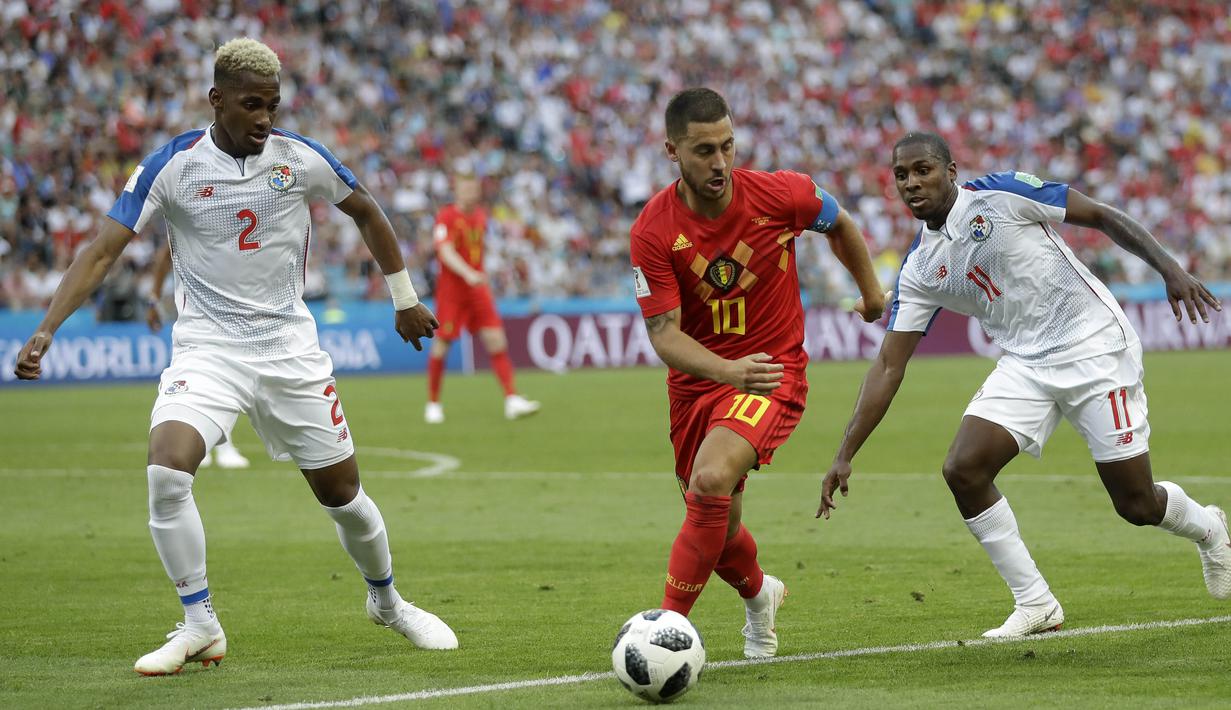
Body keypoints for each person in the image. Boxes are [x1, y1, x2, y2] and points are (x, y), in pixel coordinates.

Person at [14, 38, 459, 675]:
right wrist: (47, 328)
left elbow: (365, 209)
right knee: (167, 472)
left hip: (289, 351)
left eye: (273, 106)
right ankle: (199, 623)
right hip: (210, 350)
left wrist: (403, 297)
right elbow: (103, 249)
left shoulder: (298, 159)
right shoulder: (175, 164)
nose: (264, 119)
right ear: (216, 100)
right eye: (252, 105)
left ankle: (387, 600)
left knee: (344, 496)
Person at [817, 131, 1229, 638]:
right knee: (964, 469)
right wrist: (845, 452)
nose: (911, 182)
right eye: (901, 175)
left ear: (950, 171)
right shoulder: (920, 268)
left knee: (1136, 505)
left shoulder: (1003, 193)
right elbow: (888, 365)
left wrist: (1170, 270)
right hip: (1026, 363)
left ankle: (1209, 527)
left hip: (1094, 345)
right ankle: (1035, 602)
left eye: (923, 169)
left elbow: (1100, 215)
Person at [629, 88, 885, 658]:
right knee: (716, 529)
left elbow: (839, 222)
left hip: (771, 372)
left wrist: (870, 296)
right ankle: (760, 597)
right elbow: (664, 335)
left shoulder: (780, 195)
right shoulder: (653, 230)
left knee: (711, 481)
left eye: (727, 146)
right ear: (672, 152)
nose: (719, 163)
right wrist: (726, 370)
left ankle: (664, 635)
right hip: (700, 385)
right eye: (702, 151)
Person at [423, 170, 539, 423]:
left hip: (478, 288)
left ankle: (511, 399)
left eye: (474, 189)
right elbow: (445, 252)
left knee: (496, 340)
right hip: (453, 291)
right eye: (466, 189)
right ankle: (433, 403)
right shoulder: (446, 216)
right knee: (442, 344)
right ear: (457, 191)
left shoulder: (480, 216)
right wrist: (467, 273)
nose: (470, 193)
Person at [146, 242, 250, 469]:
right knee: (195, 378)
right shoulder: (184, 219)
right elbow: (166, 254)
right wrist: (154, 299)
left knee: (227, 376)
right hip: (194, 319)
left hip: (232, 312)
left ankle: (218, 445)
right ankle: (212, 445)